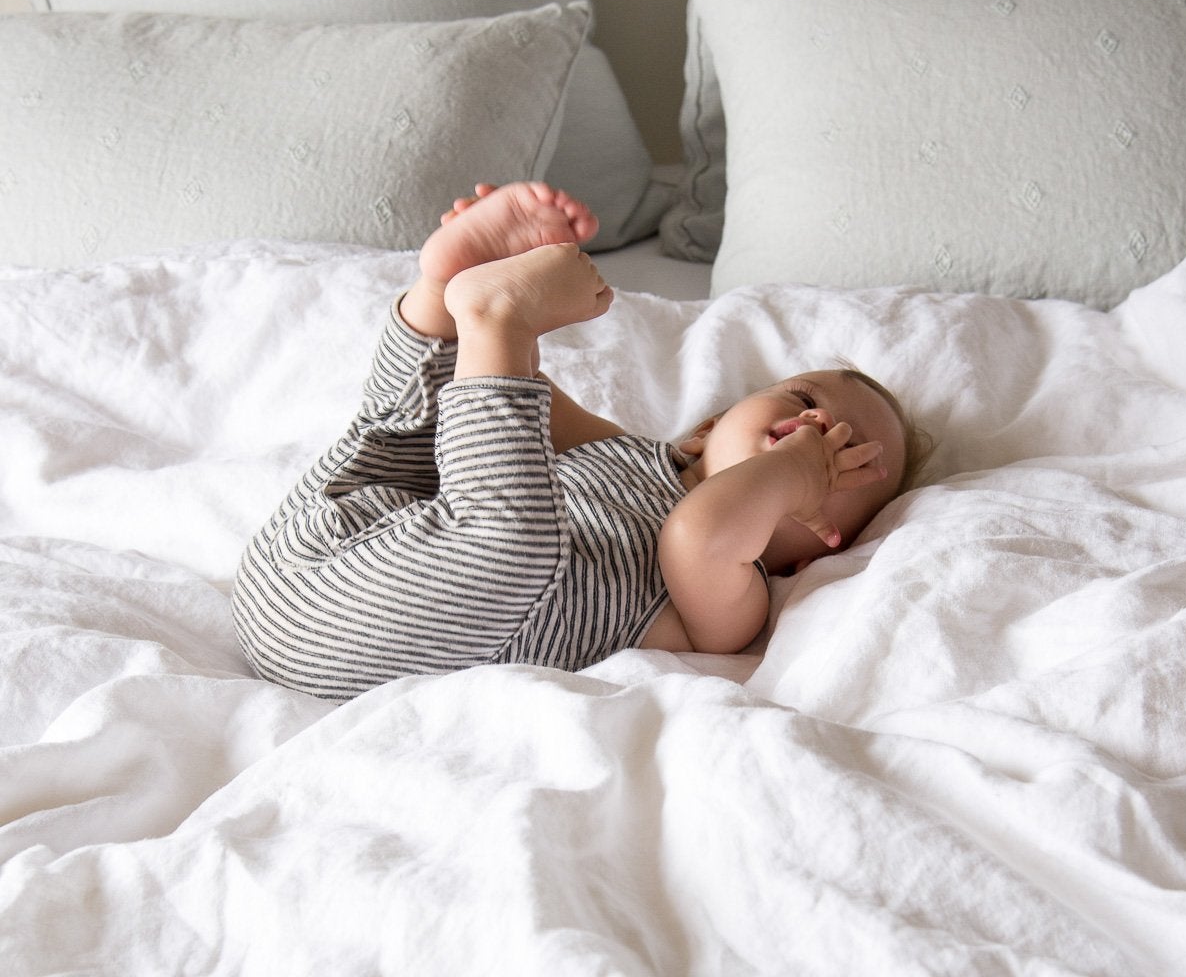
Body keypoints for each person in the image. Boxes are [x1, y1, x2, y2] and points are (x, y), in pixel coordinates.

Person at [232, 182, 923, 699]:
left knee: (514, 536)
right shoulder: (629, 453)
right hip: (323, 546)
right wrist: (496, 337)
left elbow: (702, 535)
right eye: (805, 404)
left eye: (846, 457)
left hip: (360, 635)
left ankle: (485, 311)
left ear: (818, 557)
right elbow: (503, 403)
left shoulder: (736, 603)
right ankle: (445, 293)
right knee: (418, 431)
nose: (815, 431)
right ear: (709, 429)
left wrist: (792, 475)